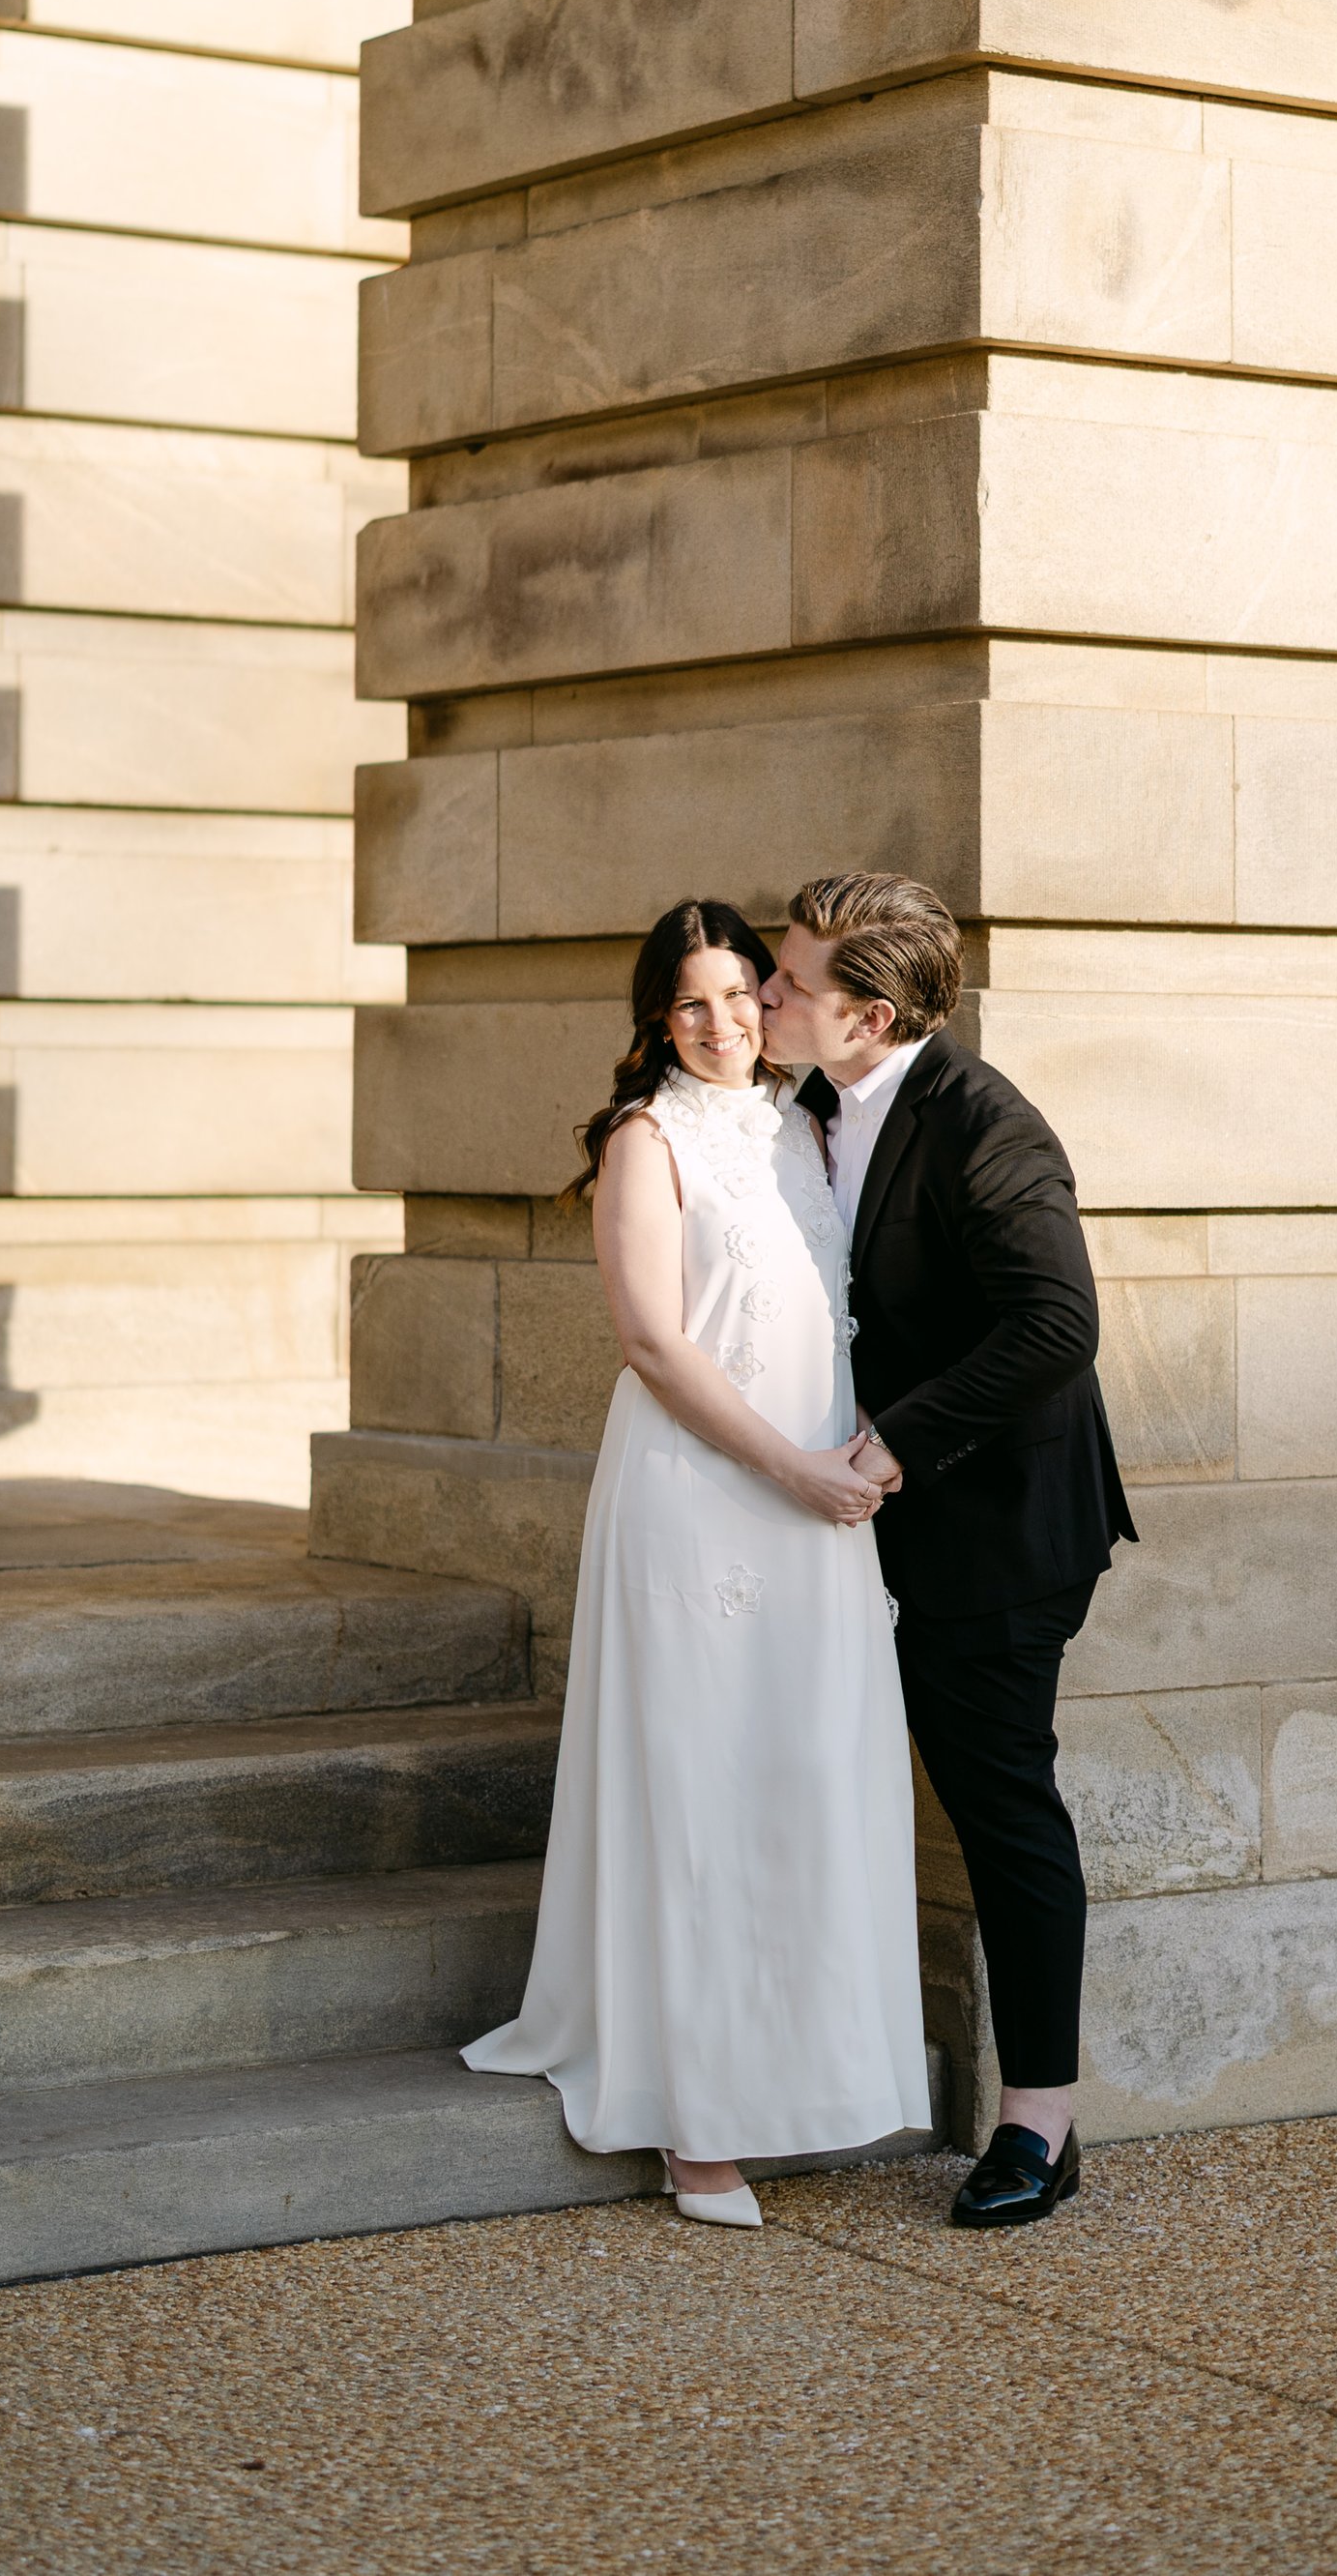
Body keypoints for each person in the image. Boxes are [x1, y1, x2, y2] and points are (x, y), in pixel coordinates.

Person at [461, 897, 931, 2227]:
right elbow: (657, 1346)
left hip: (824, 1500)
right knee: (701, 1787)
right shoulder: (644, 1139)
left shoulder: (807, 1128)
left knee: (803, 1772)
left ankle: (808, 2067)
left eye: (743, 993)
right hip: (704, 1497)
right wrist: (793, 1467)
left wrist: (857, 1463)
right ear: (656, 1022)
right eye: (693, 1004)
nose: (725, 1023)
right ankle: (695, 2121)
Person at [760, 870, 1134, 2231]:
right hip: (857, 1522)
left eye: (790, 981)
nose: (764, 993)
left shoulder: (989, 1126)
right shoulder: (800, 1106)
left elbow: (1054, 1328)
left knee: (1001, 1805)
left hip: (1001, 1527)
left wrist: (894, 1440)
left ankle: (1042, 2120)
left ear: (866, 1014)